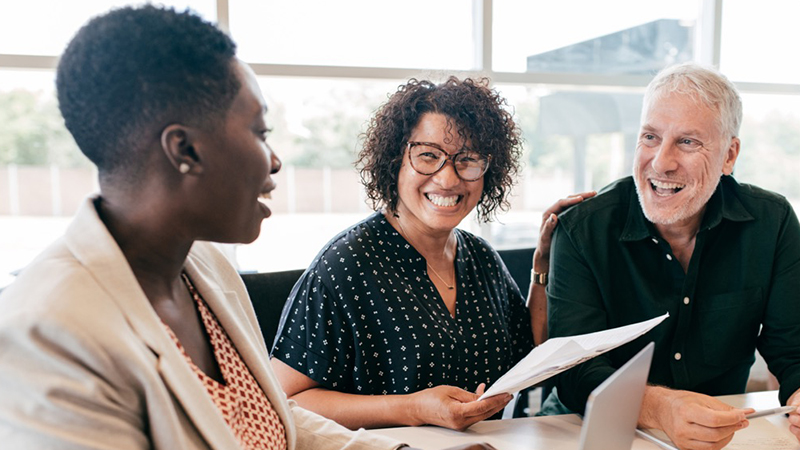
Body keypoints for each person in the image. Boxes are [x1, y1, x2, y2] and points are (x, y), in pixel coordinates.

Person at [0, 5, 493, 450]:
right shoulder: (48, 331)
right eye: (259, 133)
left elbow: (277, 417)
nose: (274, 161)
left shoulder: (204, 268)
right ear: (185, 150)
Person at [543, 62, 800, 450]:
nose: (661, 162)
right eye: (650, 137)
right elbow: (575, 371)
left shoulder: (773, 221)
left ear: (729, 155)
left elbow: (792, 349)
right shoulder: (582, 229)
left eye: (687, 142)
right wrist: (661, 406)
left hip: (719, 436)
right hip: (584, 433)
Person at [271, 77, 537, 431]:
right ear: (395, 160)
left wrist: (544, 268)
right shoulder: (345, 266)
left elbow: (531, 356)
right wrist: (411, 408)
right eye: (428, 155)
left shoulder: (482, 259)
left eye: (467, 159)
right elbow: (284, 401)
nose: (448, 178)